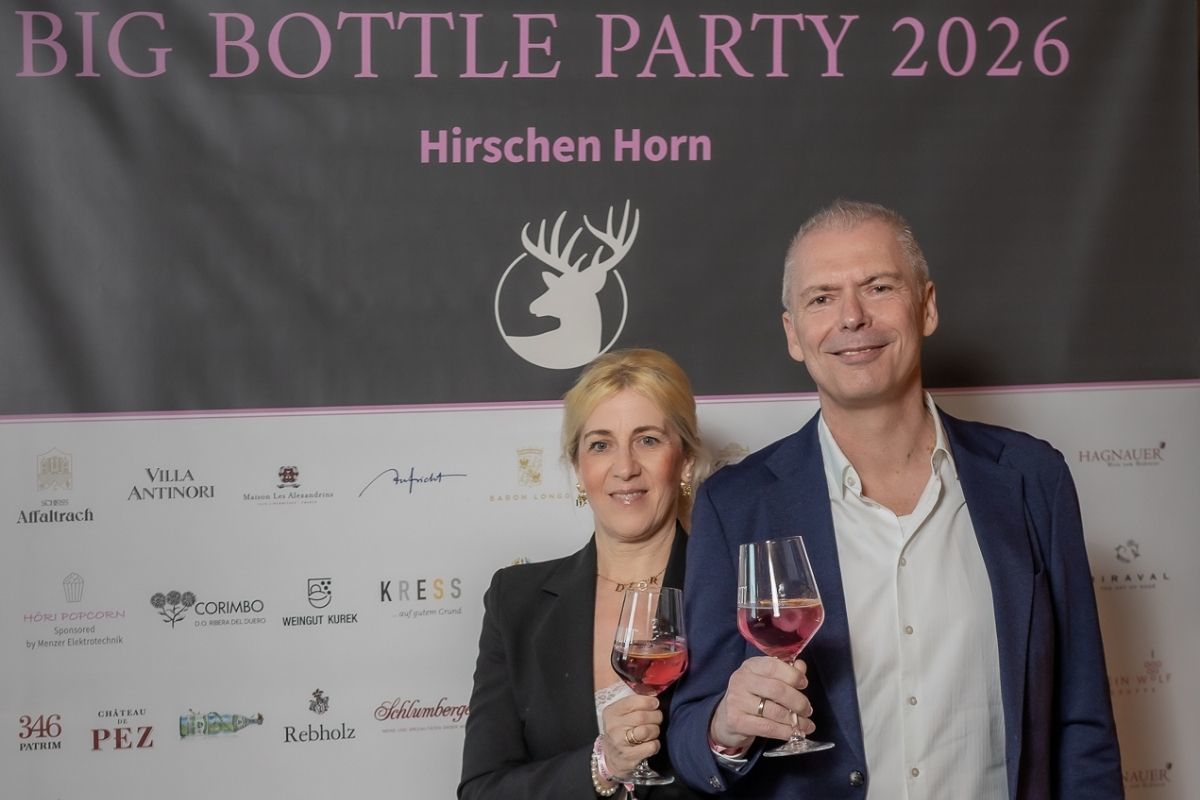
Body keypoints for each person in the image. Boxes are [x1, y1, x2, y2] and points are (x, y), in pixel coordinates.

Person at [668, 200, 1123, 798]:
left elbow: (1082, 722)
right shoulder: (736, 505)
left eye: (878, 287)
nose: (852, 317)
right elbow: (688, 731)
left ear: (926, 306)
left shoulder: (1033, 479)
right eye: (822, 298)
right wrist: (724, 727)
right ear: (794, 335)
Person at [459, 348, 707, 799]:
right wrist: (601, 765)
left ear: (685, 460)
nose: (625, 467)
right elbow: (483, 791)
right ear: (578, 467)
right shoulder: (515, 602)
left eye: (648, 440)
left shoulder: (729, 594)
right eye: (600, 444)